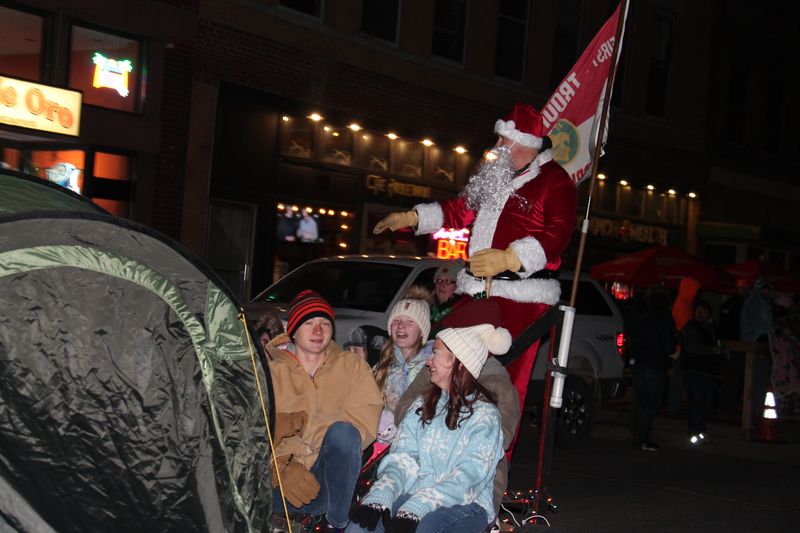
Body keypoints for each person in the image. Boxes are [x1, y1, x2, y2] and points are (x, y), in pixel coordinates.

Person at [373, 103, 577, 411]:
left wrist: (510, 258)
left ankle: (496, 453)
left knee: (504, 382)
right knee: (444, 353)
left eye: (502, 140)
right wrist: (414, 218)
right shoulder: (495, 176)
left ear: (524, 142)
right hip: (478, 290)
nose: (495, 147)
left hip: (523, 296)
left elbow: (557, 235)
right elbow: (459, 210)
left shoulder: (555, 181)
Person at [347, 324, 509, 533]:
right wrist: (383, 493)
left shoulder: (485, 416)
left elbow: (467, 479)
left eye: (435, 354)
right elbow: (404, 457)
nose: (428, 361)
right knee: (358, 527)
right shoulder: (421, 405)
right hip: (415, 495)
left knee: (424, 528)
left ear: (458, 363)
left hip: (466, 504)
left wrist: (418, 507)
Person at [267, 290, 383, 531]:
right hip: (282, 480)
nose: (318, 331)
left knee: (343, 433)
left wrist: (306, 426)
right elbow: (252, 429)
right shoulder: (270, 372)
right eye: (308, 323)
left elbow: (361, 427)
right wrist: (278, 466)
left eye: (324, 323)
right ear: (292, 328)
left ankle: (334, 524)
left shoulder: (352, 367)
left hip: (331, 476)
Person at [373, 287, 434, 450]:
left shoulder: (432, 366)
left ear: (422, 330)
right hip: (383, 442)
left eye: (409, 321)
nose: (400, 326)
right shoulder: (383, 365)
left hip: (417, 444)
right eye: (396, 320)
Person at [628, 291, 677, 451]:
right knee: (649, 404)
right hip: (655, 366)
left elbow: (633, 341)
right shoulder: (665, 320)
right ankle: (642, 439)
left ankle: (636, 435)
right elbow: (670, 346)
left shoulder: (641, 319)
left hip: (638, 364)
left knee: (639, 402)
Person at [681, 299, 724, 446]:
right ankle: (693, 432)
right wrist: (711, 350)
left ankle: (701, 431)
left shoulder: (710, 328)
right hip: (695, 370)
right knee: (696, 403)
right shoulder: (691, 327)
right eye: (698, 310)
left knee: (705, 404)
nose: (701, 314)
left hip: (708, 371)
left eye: (704, 311)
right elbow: (691, 347)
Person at [741, 276, 775, 425]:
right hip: (755, 346)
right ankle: (753, 415)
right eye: (763, 289)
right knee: (757, 382)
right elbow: (755, 324)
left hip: (763, 347)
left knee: (760, 382)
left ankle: (756, 413)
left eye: (767, 289)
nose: (766, 292)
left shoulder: (765, 304)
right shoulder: (754, 302)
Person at [430, 261, 464, 325]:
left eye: (447, 281)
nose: (441, 285)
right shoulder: (427, 307)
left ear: (458, 286)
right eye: (439, 280)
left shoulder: (459, 314)